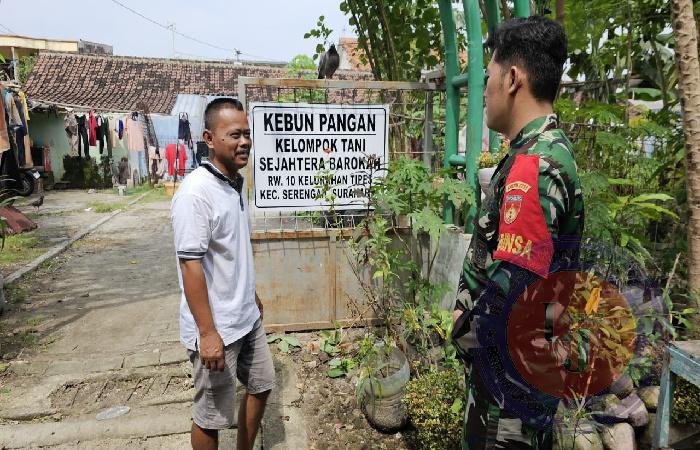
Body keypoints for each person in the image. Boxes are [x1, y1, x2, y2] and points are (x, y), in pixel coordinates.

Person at [452, 16, 584, 450]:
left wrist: (463, 328)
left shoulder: (533, 166)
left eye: (488, 76)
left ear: (512, 79)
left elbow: (515, 293)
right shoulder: (545, 151)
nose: (485, 90)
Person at [171, 98, 274, 450]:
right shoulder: (196, 193)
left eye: (247, 133)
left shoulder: (233, 183)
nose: (244, 142)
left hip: (245, 317)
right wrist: (207, 333)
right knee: (211, 417)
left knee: (262, 384)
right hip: (217, 327)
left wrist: (251, 294)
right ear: (209, 139)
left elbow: (232, 250)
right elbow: (190, 264)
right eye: (234, 135)